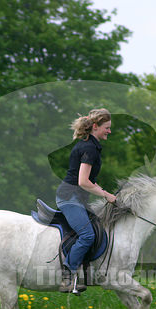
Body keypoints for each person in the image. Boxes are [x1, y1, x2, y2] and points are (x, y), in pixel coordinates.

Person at [56, 108, 117, 293]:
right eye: (107, 127)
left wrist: (104, 192)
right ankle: (67, 276)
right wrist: (105, 195)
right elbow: (83, 181)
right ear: (96, 126)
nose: (109, 131)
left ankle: (84, 275)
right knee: (88, 235)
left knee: (97, 228)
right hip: (69, 198)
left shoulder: (92, 146)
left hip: (78, 198)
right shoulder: (89, 148)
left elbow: (89, 181)